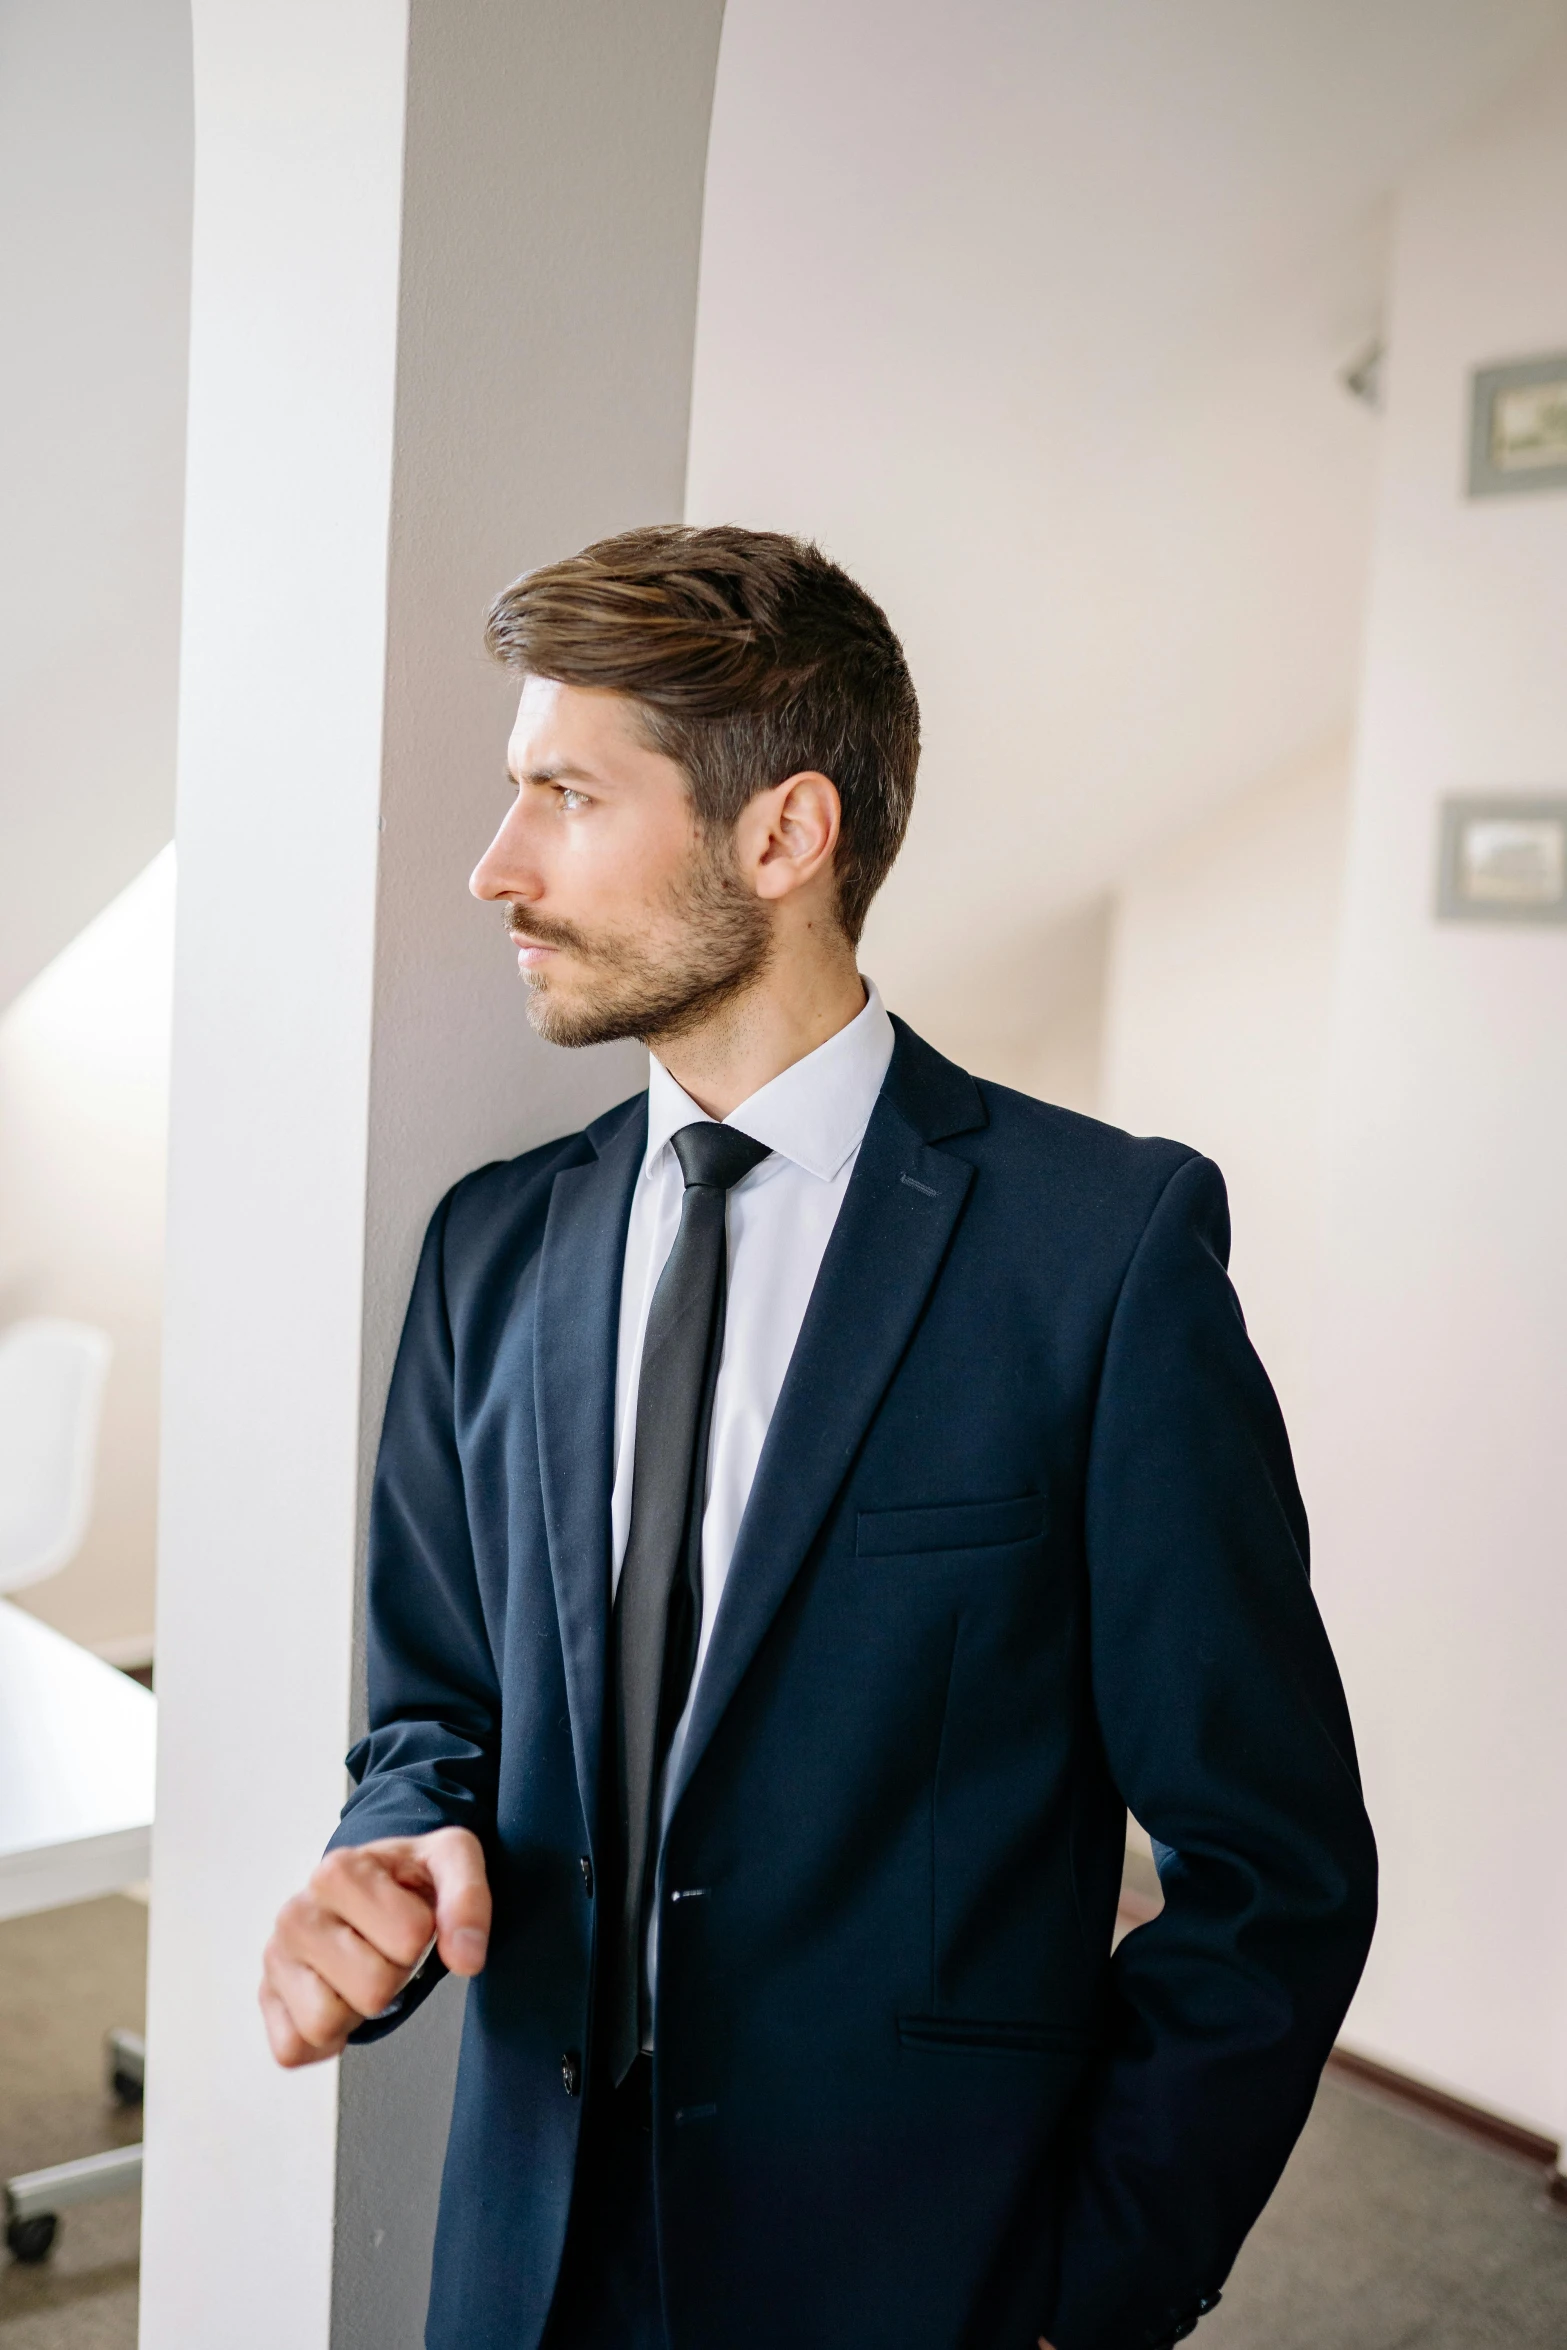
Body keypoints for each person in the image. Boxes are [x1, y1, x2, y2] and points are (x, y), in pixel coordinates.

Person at [259, 525, 1377, 2350]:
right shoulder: (490, 1244)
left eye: (563, 795)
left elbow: (1275, 1864)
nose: (494, 866)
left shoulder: (1098, 1255)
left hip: (915, 2277)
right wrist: (393, 1851)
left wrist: (1081, 2289)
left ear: (780, 837)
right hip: (519, 2265)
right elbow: (431, 1709)